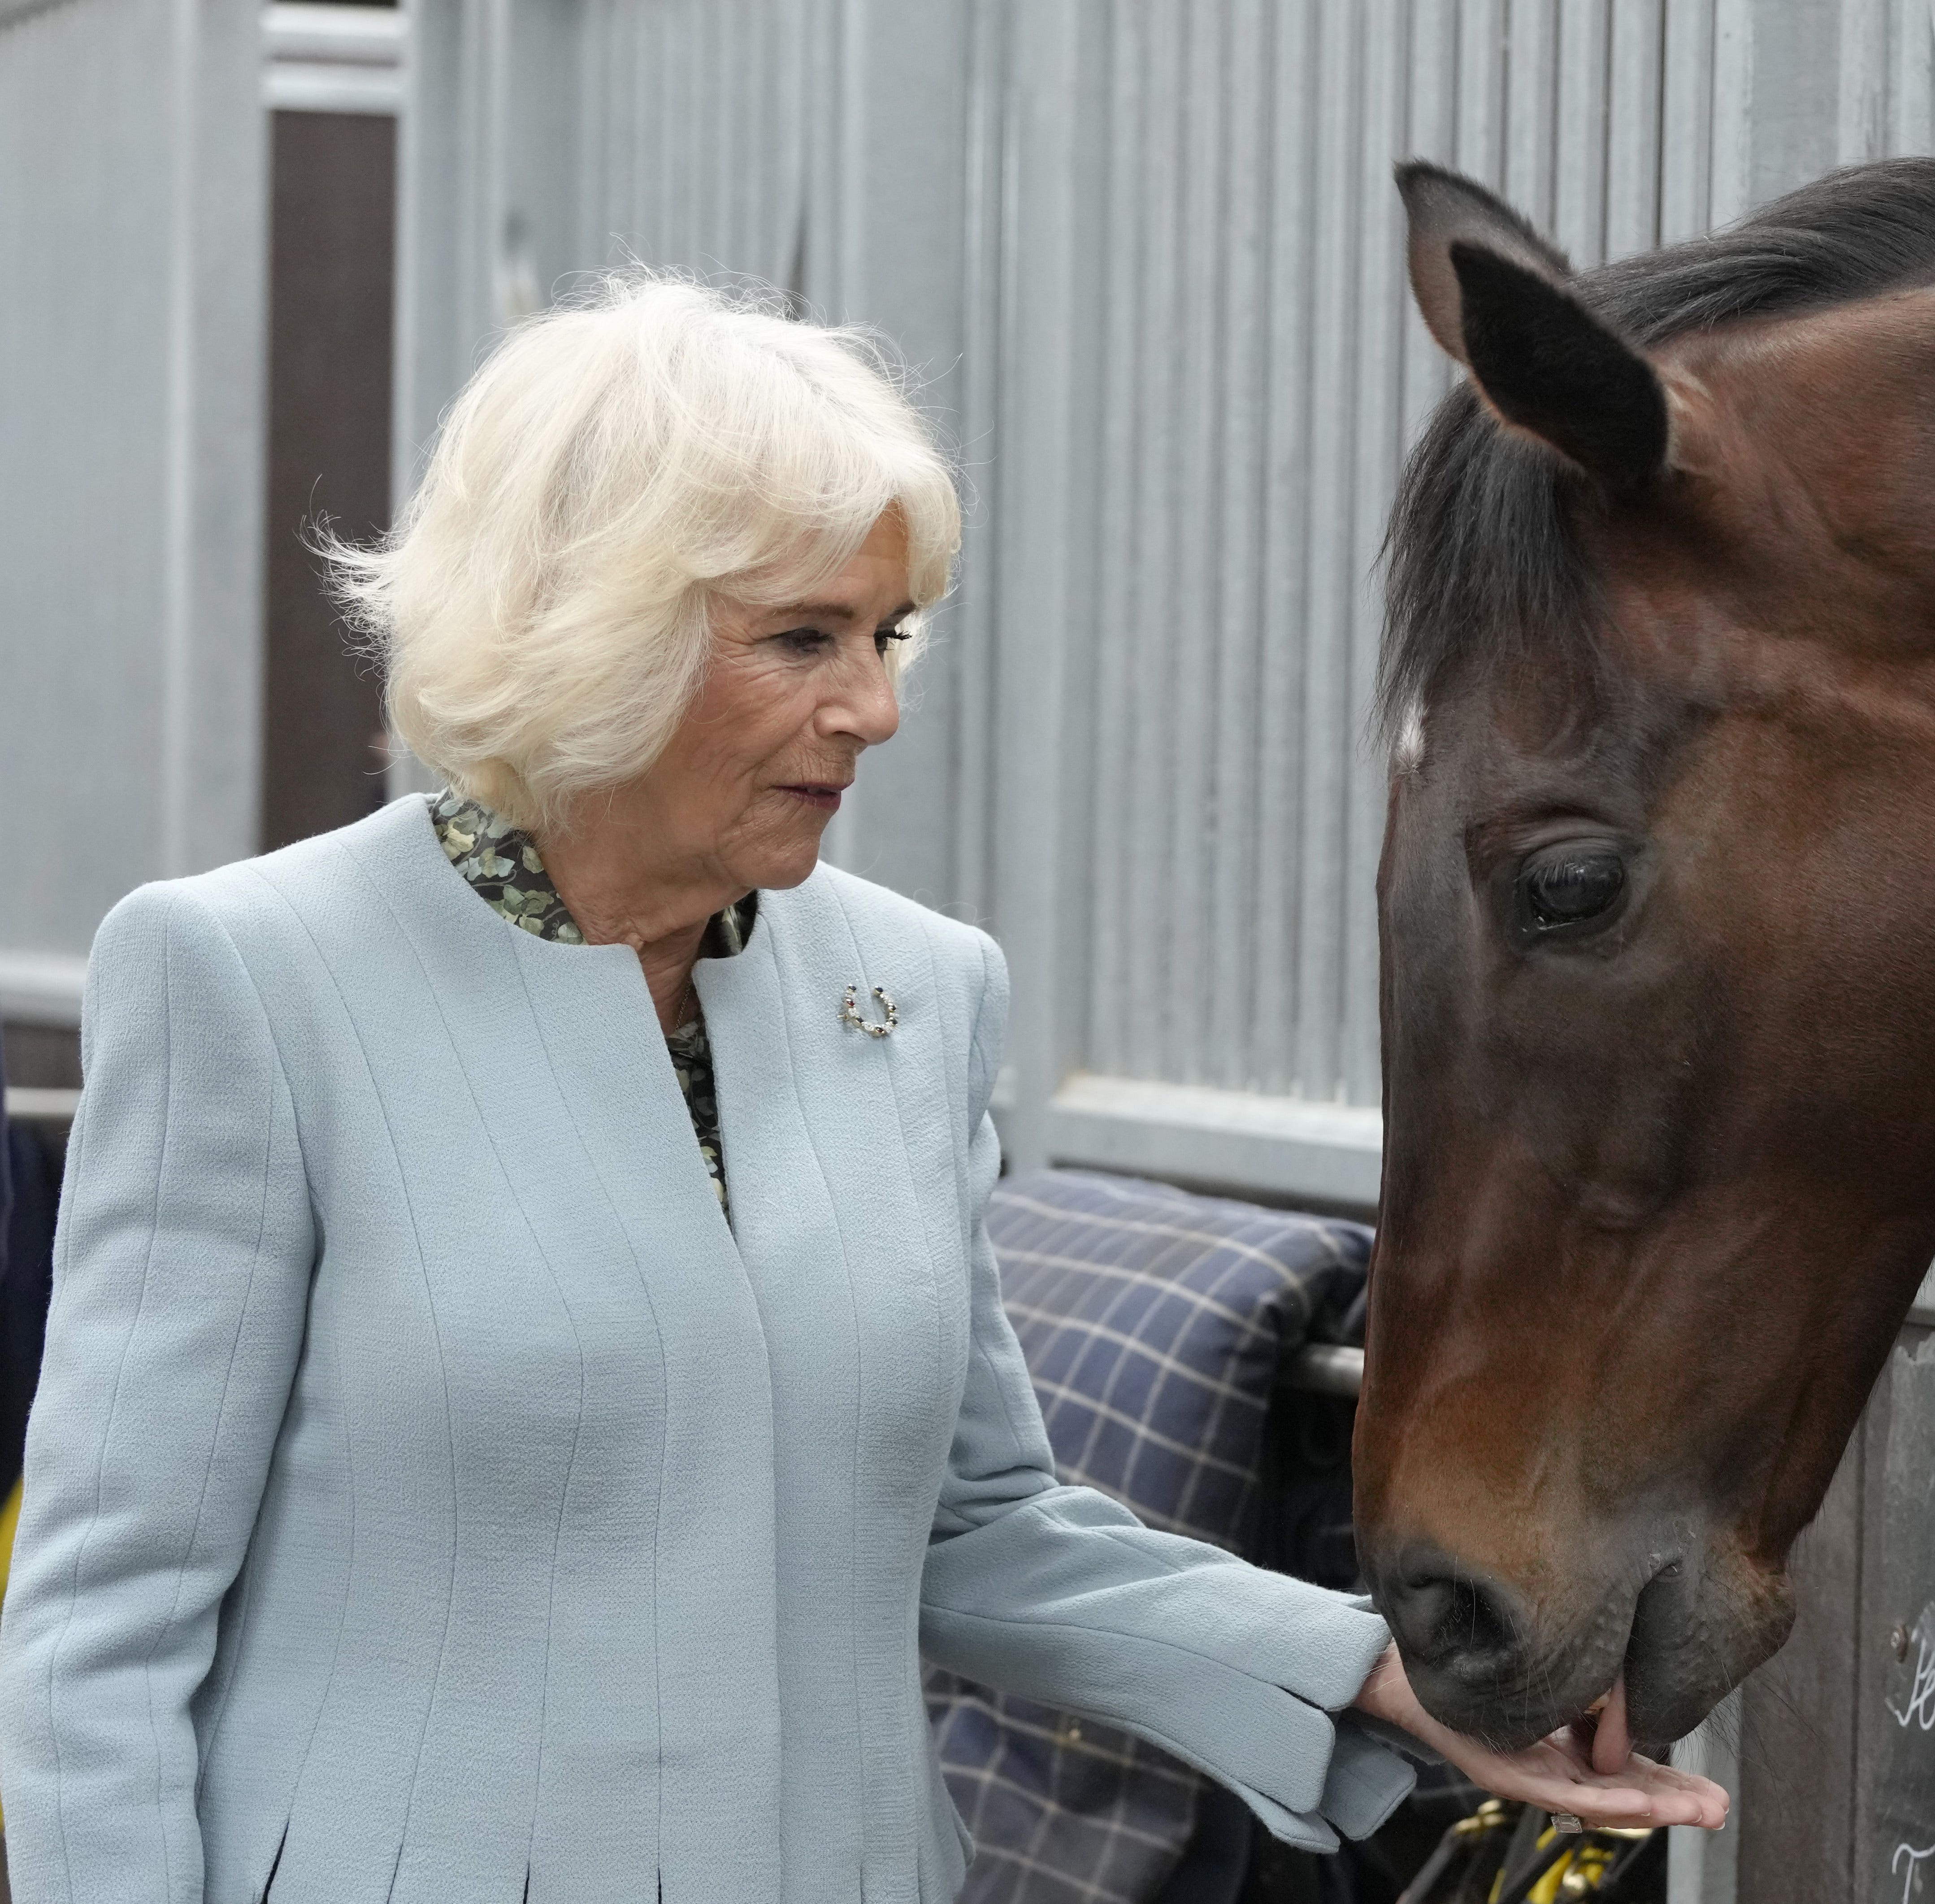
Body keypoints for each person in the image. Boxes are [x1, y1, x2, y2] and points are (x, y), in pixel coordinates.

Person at [0, 277, 1725, 1903]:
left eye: (890, 632)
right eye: (805, 638)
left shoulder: (918, 989)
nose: (878, 708)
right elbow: (105, 1621)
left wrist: (1383, 1670)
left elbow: (970, 1529)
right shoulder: (247, 978)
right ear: (590, 628)